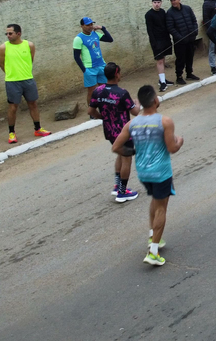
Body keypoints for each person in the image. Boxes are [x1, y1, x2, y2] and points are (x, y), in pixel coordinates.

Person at [111, 84, 183, 267]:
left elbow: (116, 147)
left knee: (155, 201)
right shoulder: (165, 121)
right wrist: (180, 141)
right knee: (161, 208)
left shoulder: (132, 123)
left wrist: (135, 152)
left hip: (143, 171)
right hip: (161, 171)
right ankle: (153, 252)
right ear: (155, 101)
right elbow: (172, 148)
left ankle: (153, 236)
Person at [88, 62, 139, 203]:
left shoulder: (97, 91)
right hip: (123, 132)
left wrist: (102, 117)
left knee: (120, 155)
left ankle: (117, 186)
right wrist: (137, 103)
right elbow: (135, 112)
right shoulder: (122, 93)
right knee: (127, 159)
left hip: (109, 132)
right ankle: (122, 192)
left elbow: (90, 111)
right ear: (117, 74)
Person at [0, 23, 50, 144]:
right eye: (6, 33)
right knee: (13, 107)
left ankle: (38, 129)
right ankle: (12, 133)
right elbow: (1, 64)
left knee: (33, 104)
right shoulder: (3, 48)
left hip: (28, 79)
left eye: (10, 33)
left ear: (18, 33)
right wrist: (11, 74)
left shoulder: (29, 45)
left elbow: (30, 60)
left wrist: (24, 73)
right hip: (12, 81)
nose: (8, 35)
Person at [73, 16, 114, 105]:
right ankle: (92, 110)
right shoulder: (78, 39)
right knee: (92, 91)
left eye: (92, 24)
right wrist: (84, 70)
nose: (90, 26)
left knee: (103, 88)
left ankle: (105, 107)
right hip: (89, 68)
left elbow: (110, 39)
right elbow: (76, 56)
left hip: (101, 65)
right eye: (88, 25)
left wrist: (103, 28)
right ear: (82, 26)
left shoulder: (95, 34)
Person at [165, 0, 200, 84]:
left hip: (190, 39)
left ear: (179, 0)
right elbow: (170, 28)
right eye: (171, 1)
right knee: (180, 59)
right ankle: (179, 76)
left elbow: (194, 21)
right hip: (180, 41)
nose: (173, 2)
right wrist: (179, 37)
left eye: (174, 0)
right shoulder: (170, 13)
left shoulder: (187, 9)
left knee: (190, 56)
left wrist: (195, 31)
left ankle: (189, 73)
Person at [145, 0, 173, 92]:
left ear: (161, 3)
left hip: (165, 39)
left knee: (163, 58)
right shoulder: (148, 14)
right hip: (156, 41)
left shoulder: (162, 12)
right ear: (152, 3)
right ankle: (162, 83)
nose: (156, 4)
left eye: (158, 2)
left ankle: (162, 79)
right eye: (155, 2)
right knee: (159, 60)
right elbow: (150, 30)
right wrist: (154, 43)